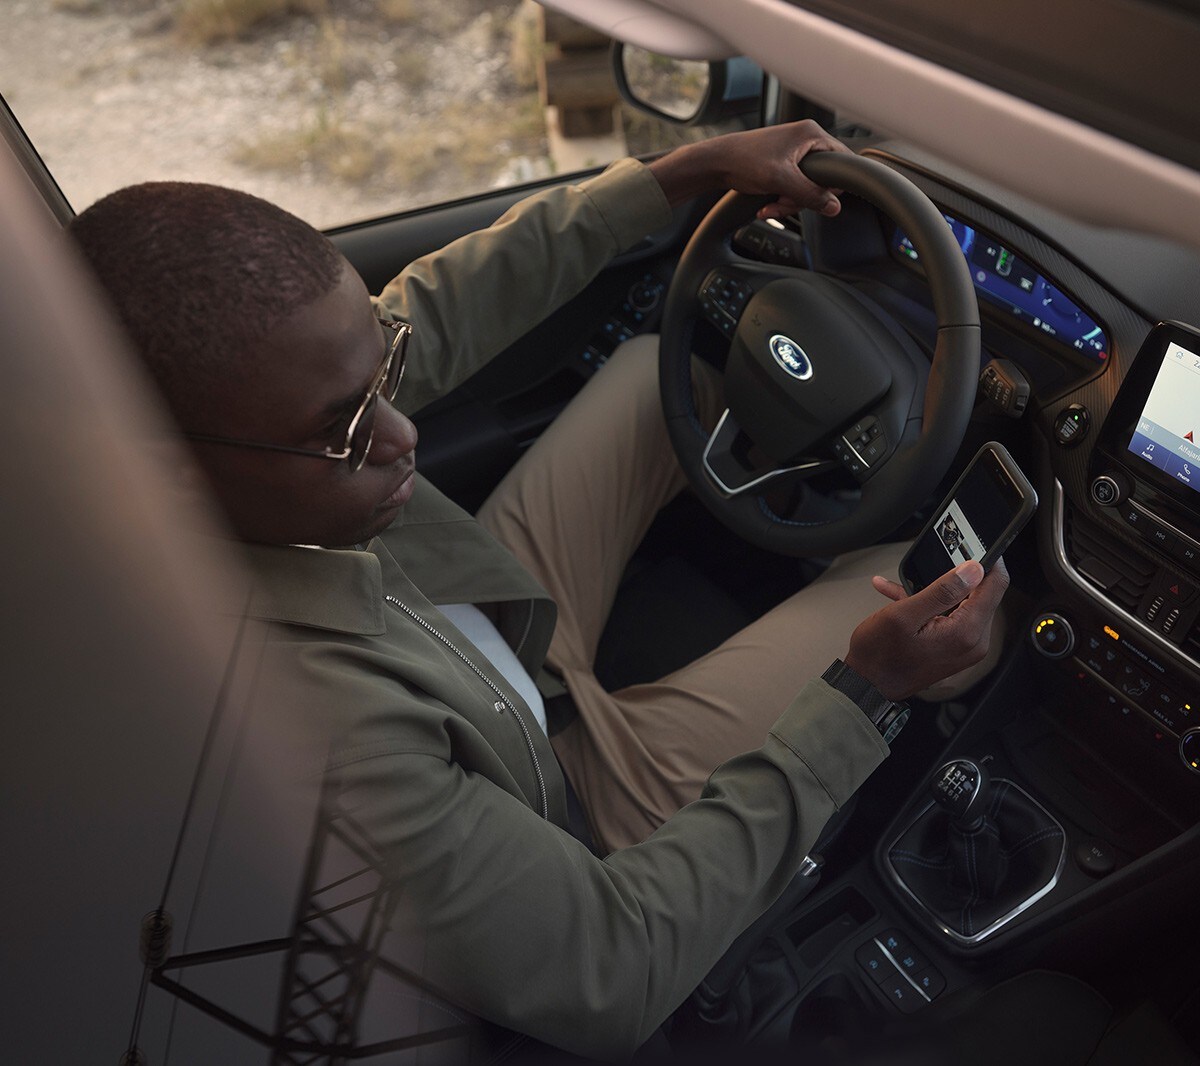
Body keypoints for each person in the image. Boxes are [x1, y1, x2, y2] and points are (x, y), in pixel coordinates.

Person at [68, 120, 1008, 1059]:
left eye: (383, 371)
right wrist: (863, 694)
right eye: (344, 433)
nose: (401, 433)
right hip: (563, 806)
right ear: (173, 482)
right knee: (907, 600)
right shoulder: (307, 735)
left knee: (655, 374)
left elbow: (431, 310)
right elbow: (614, 965)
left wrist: (683, 171)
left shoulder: (228, 453)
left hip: (478, 642)